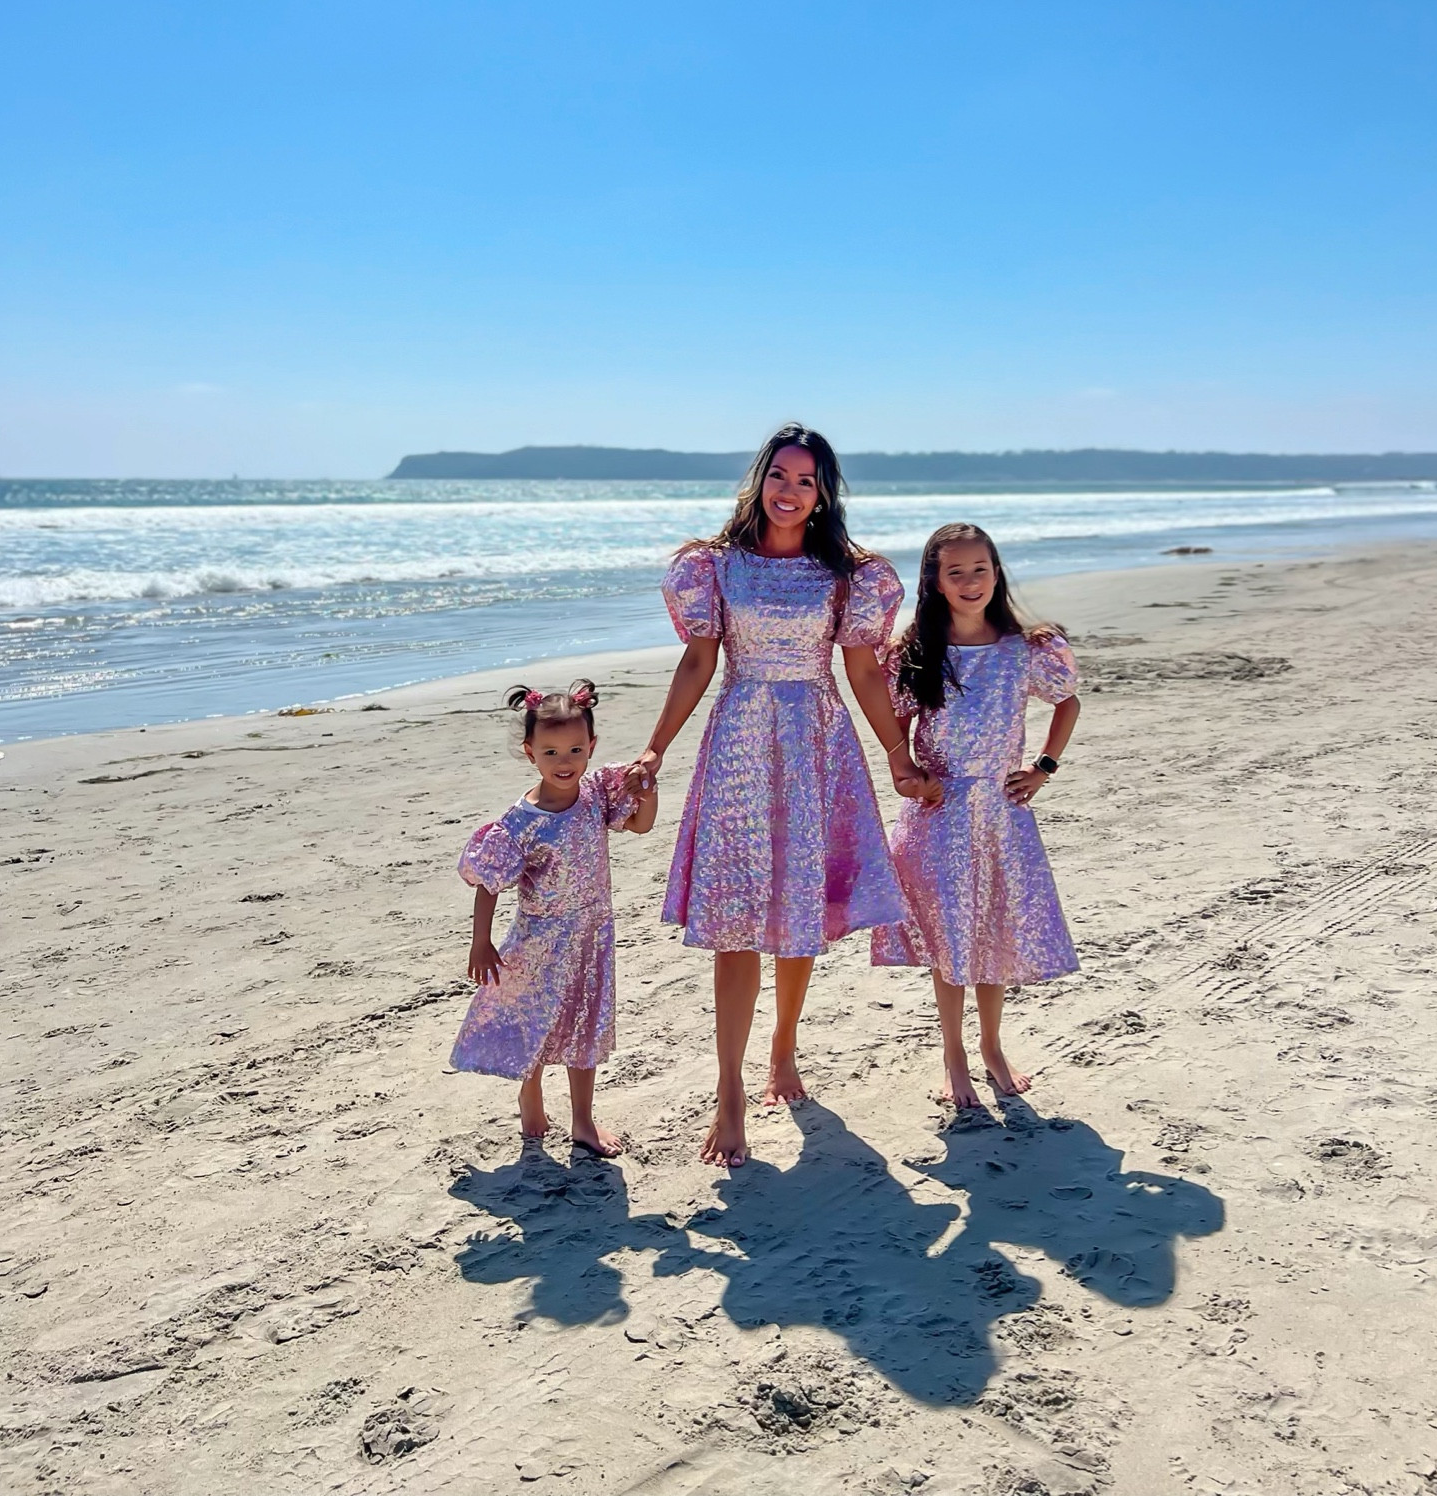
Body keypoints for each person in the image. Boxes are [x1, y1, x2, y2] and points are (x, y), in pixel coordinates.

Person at [632, 423, 938, 1169]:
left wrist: (897, 753)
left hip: (815, 742)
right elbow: (698, 659)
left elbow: (864, 672)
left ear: (823, 492)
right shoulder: (715, 567)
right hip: (739, 739)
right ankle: (729, 1091)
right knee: (735, 921)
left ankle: (783, 1050)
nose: (789, 492)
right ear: (758, 479)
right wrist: (654, 747)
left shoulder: (848, 574)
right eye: (779, 475)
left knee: (797, 911)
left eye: (806, 481)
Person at [872, 523, 1081, 1108]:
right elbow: (892, 725)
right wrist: (907, 767)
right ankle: (954, 1054)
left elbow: (1067, 702)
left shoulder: (1025, 649)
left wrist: (1043, 766)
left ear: (996, 573)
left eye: (980, 570)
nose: (970, 582)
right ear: (935, 582)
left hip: (1001, 815)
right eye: (955, 572)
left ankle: (991, 1045)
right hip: (939, 817)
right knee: (951, 941)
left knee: (994, 934)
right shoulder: (917, 653)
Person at [451, 680, 657, 1156]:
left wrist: (647, 790)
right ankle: (531, 1094)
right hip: (539, 940)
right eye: (551, 752)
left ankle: (583, 1121)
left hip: (591, 936)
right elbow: (488, 883)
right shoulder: (521, 822)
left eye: (574, 750)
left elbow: (642, 825)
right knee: (535, 1022)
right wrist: (481, 942)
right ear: (530, 754)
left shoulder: (596, 796)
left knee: (586, 1025)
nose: (564, 762)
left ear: (591, 748)